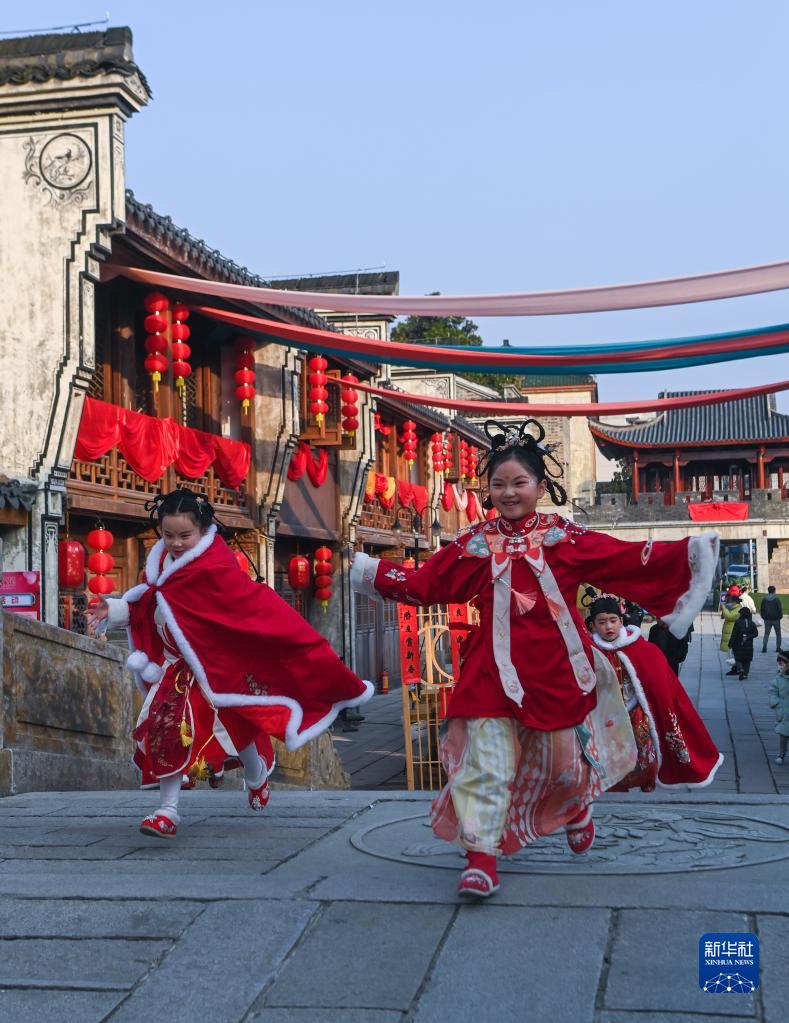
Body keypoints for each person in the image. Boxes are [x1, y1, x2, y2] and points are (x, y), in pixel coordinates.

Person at [351, 419, 719, 899]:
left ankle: (575, 805)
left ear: (541, 488)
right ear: (488, 490)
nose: (508, 492)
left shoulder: (564, 537)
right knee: (485, 761)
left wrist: (691, 553)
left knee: (562, 764)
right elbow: (429, 583)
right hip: (491, 672)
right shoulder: (474, 544)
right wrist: (368, 570)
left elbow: (623, 560)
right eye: (498, 484)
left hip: (557, 670)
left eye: (519, 482)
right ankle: (481, 858)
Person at [87, 489, 372, 838]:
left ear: (203, 529)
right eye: (169, 535)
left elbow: (254, 609)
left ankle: (256, 775)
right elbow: (149, 602)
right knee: (166, 732)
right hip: (176, 673)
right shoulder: (160, 568)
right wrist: (116, 608)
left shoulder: (217, 569)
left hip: (219, 666)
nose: (175, 543)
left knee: (237, 727)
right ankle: (167, 811)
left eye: (185, 535)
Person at [589, 597, 722, 790]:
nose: (608, 626)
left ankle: (646, 780)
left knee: (644, 751)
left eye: (613, 620)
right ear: (593, 625)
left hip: (635, 710)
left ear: (621, 621)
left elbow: (662, 683)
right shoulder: (588, 652)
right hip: (604, 714)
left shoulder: (641, 649)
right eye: (602, 622)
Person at [768, 648, 789, 764]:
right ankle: (781, 754)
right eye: (779, 664)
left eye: (781, 664)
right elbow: (772, 690)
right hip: (783, 711)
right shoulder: (779, 678)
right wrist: (775, 702)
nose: (779, 666)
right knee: (783, 734)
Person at [728, 606, 759, 680]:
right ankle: (745, 674)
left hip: (738, 645)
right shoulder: (752, 623)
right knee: (747, 660)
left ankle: (741, 669)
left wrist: (730, 644)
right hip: (749, 645)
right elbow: (756, 633)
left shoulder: (738, 622)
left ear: (741, 614)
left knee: (738, 659)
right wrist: (748, 637)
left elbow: (734, 634)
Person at [760, 585, 784, 653]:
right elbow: (780, 609)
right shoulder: (777, 599)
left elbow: (762, 609)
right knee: (778, 634)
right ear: (774, 591)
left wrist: (763, 617)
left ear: (768, 591)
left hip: (767, 619)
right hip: (776, 619)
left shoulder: (764, 599)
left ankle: (764, 647)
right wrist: (780, 616)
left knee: (766, 634)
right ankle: (778, 648)